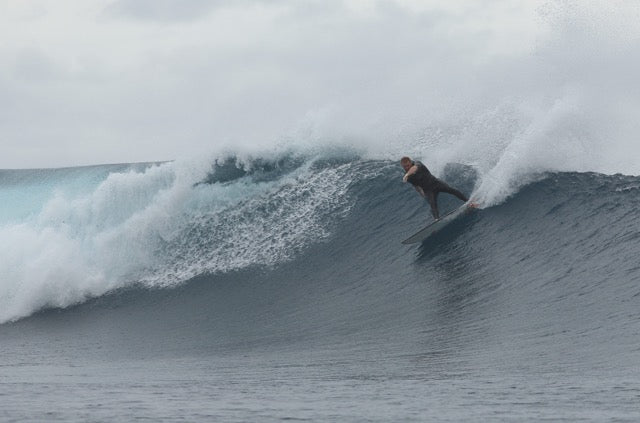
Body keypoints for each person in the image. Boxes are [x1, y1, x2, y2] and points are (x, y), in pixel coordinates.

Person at [400, 156, 470, 220]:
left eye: (407, 166)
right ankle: (437, 220)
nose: (406, 168)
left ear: (410, 162)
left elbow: (414, 168)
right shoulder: (408, 178)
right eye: (404, 167)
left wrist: (407, 174)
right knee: (432, 204)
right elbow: (416, 186)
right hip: (428, 190)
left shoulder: (417, 164)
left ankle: (469, 202)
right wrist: (422, 194)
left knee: (452, 190)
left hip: (436, 183)